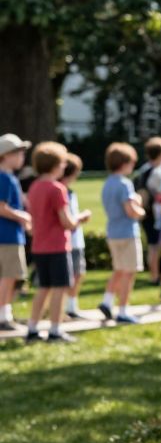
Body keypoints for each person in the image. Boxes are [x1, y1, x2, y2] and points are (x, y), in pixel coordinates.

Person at [25, 141, 83, 343]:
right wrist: (80, 219)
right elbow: (67, 222)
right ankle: (55, 330)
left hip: (39, 247)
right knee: (60, 289)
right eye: (62, 163)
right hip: (58, 246)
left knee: (43, 288)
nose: (64, 167)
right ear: (55, 165)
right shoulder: (57, 189)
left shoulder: (34, 187)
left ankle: (32, 329)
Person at [97, 142, 146, 323]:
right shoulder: (125, 184)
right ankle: (123, 310)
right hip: (127, 232)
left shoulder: (107, 183)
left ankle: (107, 301)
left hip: (113, 232)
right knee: (129, 272)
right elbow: (131, 211)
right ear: (124, 163)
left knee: (118, 270)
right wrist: (141, 208)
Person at [0, 133, 32, 332]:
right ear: (5, 155)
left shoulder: (9, 177)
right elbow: (1, 207)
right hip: (7, 236)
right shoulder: (4, 178)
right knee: (8, 276)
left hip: (11, 235)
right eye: (18, 153)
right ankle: (3, 316)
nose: (22, 157)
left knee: (11, 276)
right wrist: (23, 217)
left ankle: (6, 313)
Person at [61, 154, 91, 319]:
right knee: (68, 276)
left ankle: (72, 306)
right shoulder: (61, 192)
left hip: (76, 240)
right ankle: (63, 308)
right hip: (67, 241)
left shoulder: (71, 192)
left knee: (79, 273)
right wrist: (81, 217)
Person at [135, 136, 161, 283]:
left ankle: (156, 274)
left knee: (153, 244)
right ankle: (156, 276)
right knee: (156, 245)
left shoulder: (144, 170)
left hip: (147, 212)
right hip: (155, 213)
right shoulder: (157, 172)